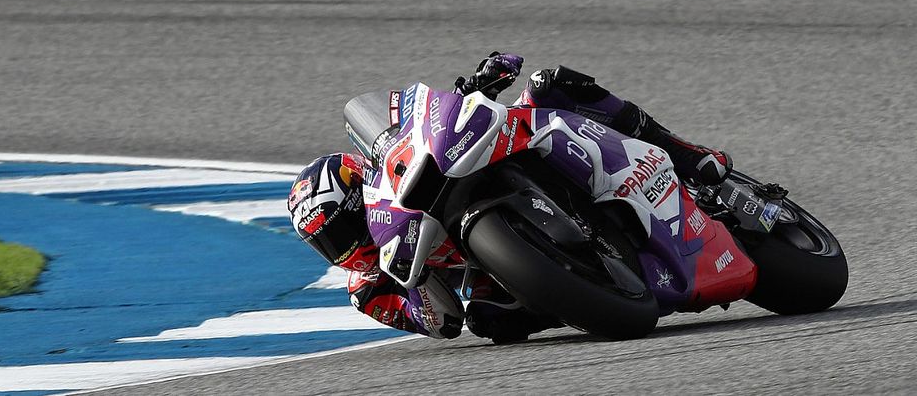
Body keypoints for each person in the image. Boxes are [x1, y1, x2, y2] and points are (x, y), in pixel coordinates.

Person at [286, 53, 733, 342]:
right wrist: (412, 279)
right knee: (490, 320)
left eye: (344, 228)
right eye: (329, 244)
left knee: (547, 84)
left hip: (491, 163)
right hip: (490, 266)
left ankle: (684, 153)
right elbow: (441, 323)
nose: (344, 248)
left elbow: (423, 124)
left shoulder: (390, 177)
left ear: (361, 190)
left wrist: (474, 87)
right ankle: (583, 292)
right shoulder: (368, 292)